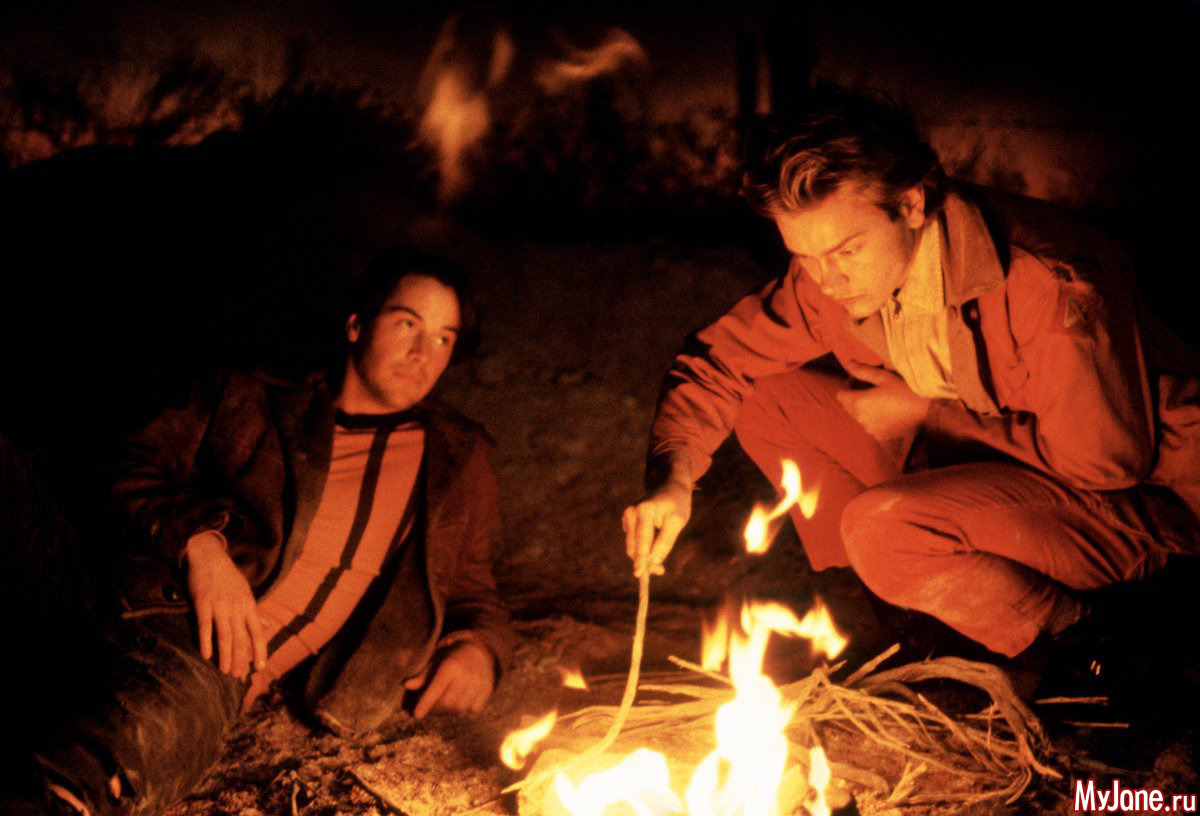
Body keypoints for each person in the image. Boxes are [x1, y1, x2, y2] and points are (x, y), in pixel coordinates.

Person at [623, 86, 1200, 662]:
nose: (827, 280)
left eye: (847, 251)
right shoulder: (828, 277)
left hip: (1140, 512)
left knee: (881, 528)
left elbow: (1104, 465)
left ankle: (1085, 647)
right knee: (768, 399)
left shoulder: (1047, 284)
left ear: (911, 205)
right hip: (984, 474)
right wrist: (674, 479)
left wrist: (929, 412)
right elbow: (719, 361)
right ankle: (901, 622)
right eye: (805, 256)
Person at [17, 247, 512, 816]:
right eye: (407, 324)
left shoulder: (456, 459)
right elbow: (128, 463)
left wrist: (480, 649)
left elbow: (474, 589)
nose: (425, 353)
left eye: (445, 338)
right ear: (357, 325)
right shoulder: (251, 398)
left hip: (211, 655)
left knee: (113, 755)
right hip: (109, 584)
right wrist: (201, 546)